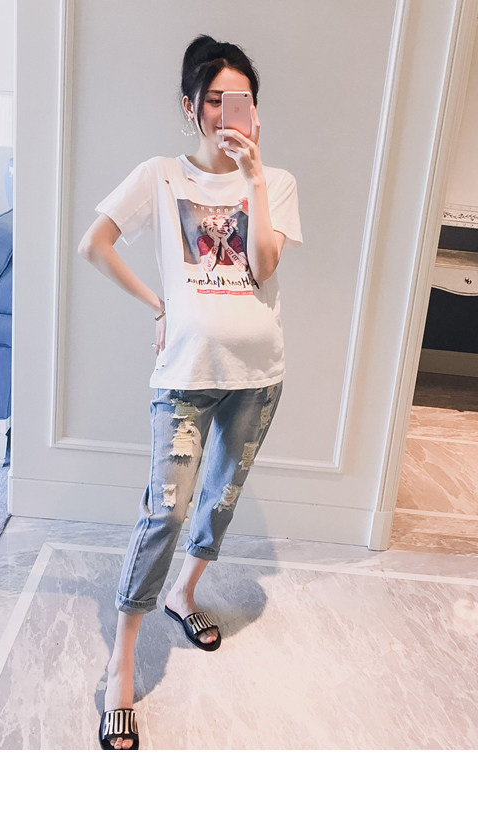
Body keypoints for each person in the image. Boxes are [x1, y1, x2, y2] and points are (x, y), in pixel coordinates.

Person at [78, 33, 302, 750]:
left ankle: (185, 592)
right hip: (185, 374)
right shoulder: (160, 176)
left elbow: (263, 266)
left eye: (243, 100)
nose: (229, 113)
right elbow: (94, 245)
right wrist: (159, 305)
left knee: (220, 500)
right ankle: (121, 661)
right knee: (165, 512)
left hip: (258, 374)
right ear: (190, 107)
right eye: (215, 100)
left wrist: (255, 177)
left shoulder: (276, 183)